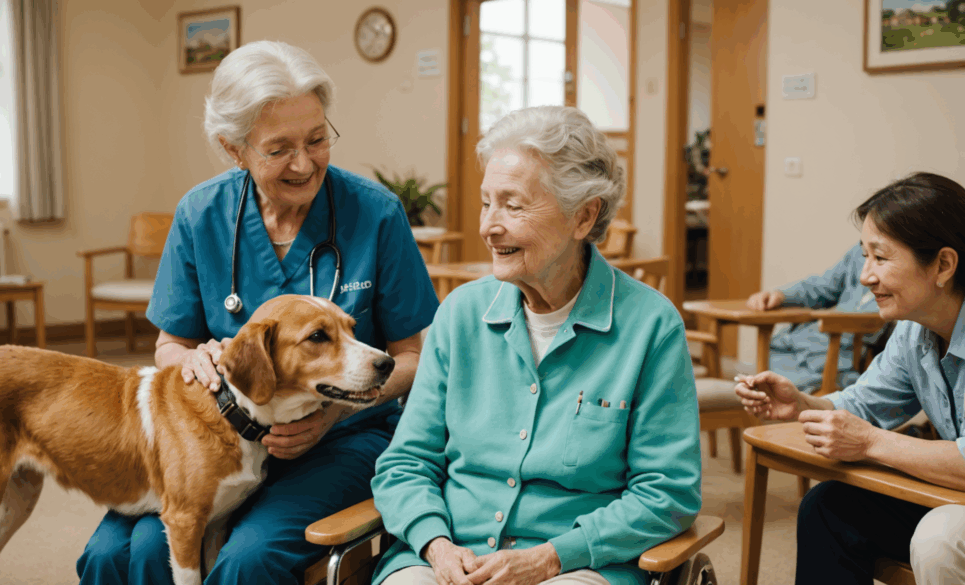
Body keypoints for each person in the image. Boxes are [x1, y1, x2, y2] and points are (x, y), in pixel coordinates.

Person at [75, 40, 439, 585]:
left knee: (249, 559)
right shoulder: (202, 214)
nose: (304, 162)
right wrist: (191, 360)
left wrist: (331, 414)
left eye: (318, 139)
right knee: (124, 552)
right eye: (279, 149)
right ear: (234, 149)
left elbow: (414, 354)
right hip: (217, 436)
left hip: (341, 440)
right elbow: (169, 344)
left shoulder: (376, 214)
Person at [370, 106, 702, 585]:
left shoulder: (651, 327)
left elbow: (666, 494)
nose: (489, 226)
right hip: (444, 560)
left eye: (513, 204)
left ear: (583, 217)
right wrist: (436, 546)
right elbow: (406, 462)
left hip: (577, 566)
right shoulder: (460, 315)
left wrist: (550, 558)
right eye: (487, 203)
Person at [734, 172, 965, 585]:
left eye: (881, 257)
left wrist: (871, 443)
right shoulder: (915, 331)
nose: (865, 277)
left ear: (943, 265)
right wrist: (802, 404)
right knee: (828, 507)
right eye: (864, 257)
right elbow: (864, 404)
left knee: (940, 536)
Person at [746, 244, 883, 392]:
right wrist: (781, 296)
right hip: (798, 343)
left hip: (840, 353)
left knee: (770, 385)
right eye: (865, 253)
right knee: (768, 362)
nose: (864, 275)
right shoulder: (858, 251)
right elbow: (822, 287)